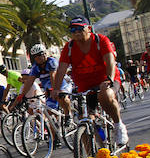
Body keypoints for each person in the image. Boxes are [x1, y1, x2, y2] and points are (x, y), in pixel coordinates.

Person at [51, 16, 128, 145]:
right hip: (86, 87)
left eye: (79, 29)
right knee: (83, 121)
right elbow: (61, 70)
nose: (76, 33)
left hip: (106, 80)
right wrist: (57, 89)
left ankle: (118, 125)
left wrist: (108, 79)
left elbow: (110, 61)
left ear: (89, 29)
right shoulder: (68, 47)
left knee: (106, 95)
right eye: (73, 30)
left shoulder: (101, 40)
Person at [18, 44, 72, 122]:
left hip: (62, 85)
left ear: (45, 53)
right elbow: (29, 82)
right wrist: (22, 95)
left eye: (40, 54)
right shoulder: (35, 67)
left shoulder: (51, 61)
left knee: (62, 97)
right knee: (49, 114)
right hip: (50, 89)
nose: (38, 57)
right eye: (35, 56)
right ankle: (55, 132)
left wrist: (54, 89)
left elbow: (52, 76)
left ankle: (68, 115)